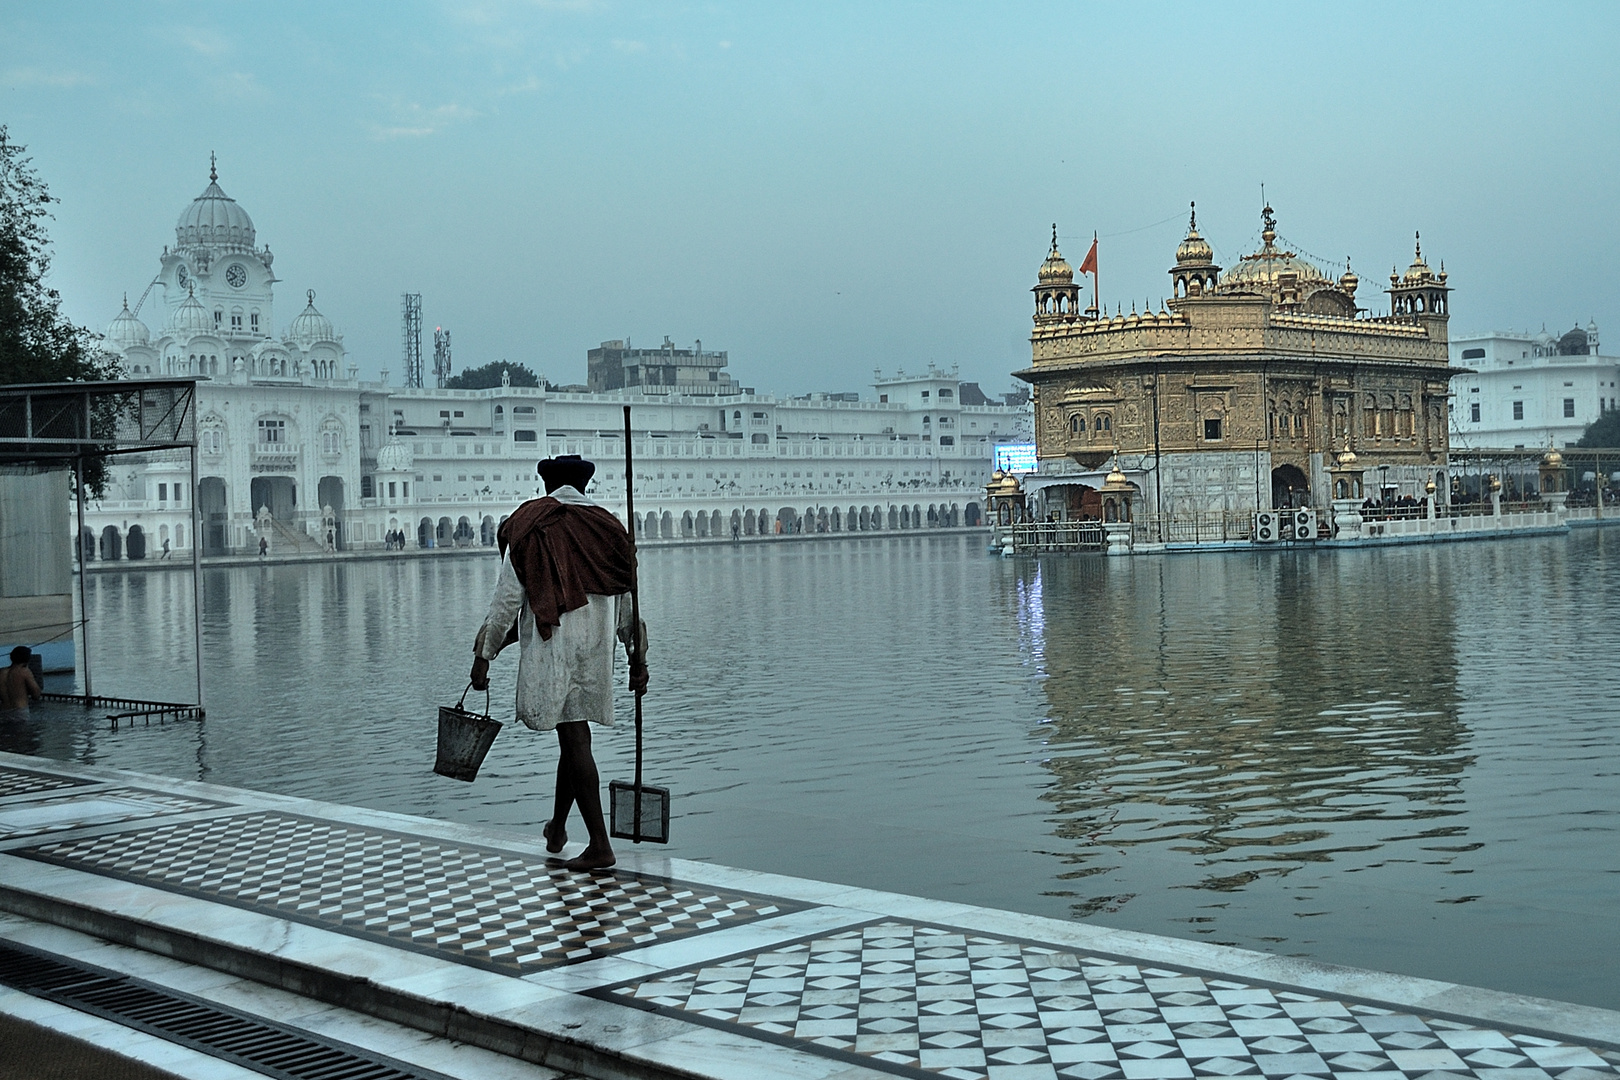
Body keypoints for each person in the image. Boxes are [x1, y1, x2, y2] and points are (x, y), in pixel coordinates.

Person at [470, 455, 647, 871]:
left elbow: (506, 603)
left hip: (556, 648)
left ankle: (600, 846)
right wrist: (637, 658)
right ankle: (558, 828)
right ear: (584, 487)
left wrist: (484, 654)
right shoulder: (609, 529)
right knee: (573, 735)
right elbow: (628, 601)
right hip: (596, 649)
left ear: (548, 485)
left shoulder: (531, 525)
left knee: (574, 738)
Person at [2, 646, 42, 723]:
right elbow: (36, 693)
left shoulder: (1, 672)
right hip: (20, 711)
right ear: (27, 658)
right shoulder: (24, 672)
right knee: (22, 733)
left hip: (3, 711)